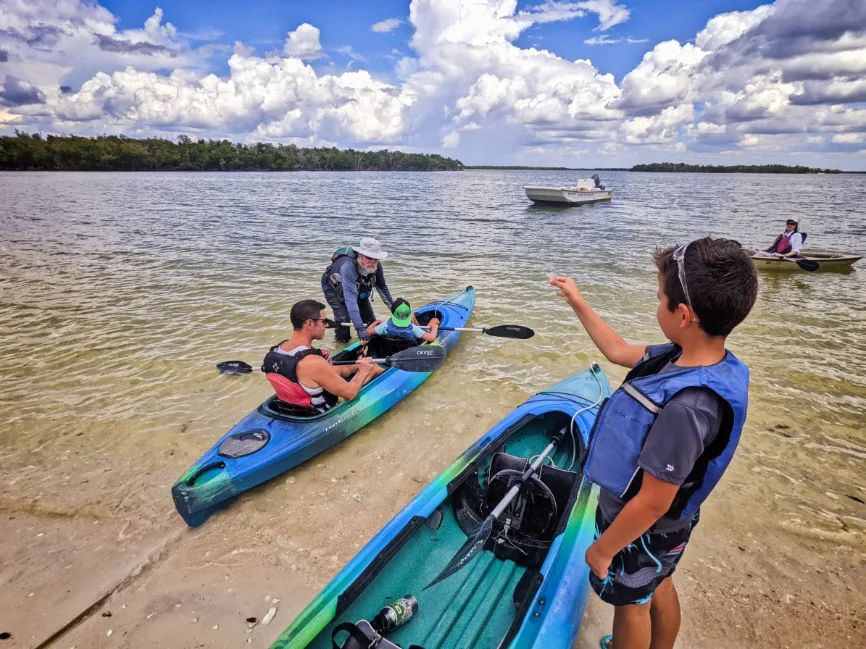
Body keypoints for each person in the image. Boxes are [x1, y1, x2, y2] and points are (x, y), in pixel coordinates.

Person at [549, 237, 758, 649]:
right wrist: (577, 300)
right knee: (658, 585)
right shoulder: (687, 359)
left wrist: (604, 550)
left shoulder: (688, 407)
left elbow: (653, 502)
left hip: (643, 528)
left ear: (683, 315)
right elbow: (616, 349)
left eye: (660, 299)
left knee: (632, 605)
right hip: (669, 530)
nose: (655, 305)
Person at [262, 299, 383, 413]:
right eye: (324, 321)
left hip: (291, 406)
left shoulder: (275, 351)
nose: (326, 325)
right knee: (374, 368)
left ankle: (357, 365)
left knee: (339, 369)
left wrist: (357, 366)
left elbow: (330, 370)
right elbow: (350, 393)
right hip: (316, 411)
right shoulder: (313, 362)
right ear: (309, 323)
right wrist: (363, 371)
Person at [322, 237, 394, 345]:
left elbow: (382, 288)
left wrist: (395, 311)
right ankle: (341, 344)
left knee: (370, 321)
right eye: (369, 257)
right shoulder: (348, 267)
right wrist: (360, 328)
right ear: (360, 254)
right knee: (344, 320)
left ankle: (369, 344)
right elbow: (350, 299)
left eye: (376, 258)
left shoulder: (376, 266)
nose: (373, 262)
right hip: (333, 288)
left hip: (359, 288)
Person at [366, 298, 440, 348]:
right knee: (434, 320)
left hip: (393, 349)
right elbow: (432, 338)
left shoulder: (384, 326)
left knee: (413, 317)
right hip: (409, 348)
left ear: (392, 312)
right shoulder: (413, 328)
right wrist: (434, 328)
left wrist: (376, 322)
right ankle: (426, 328)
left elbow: (366, 332)